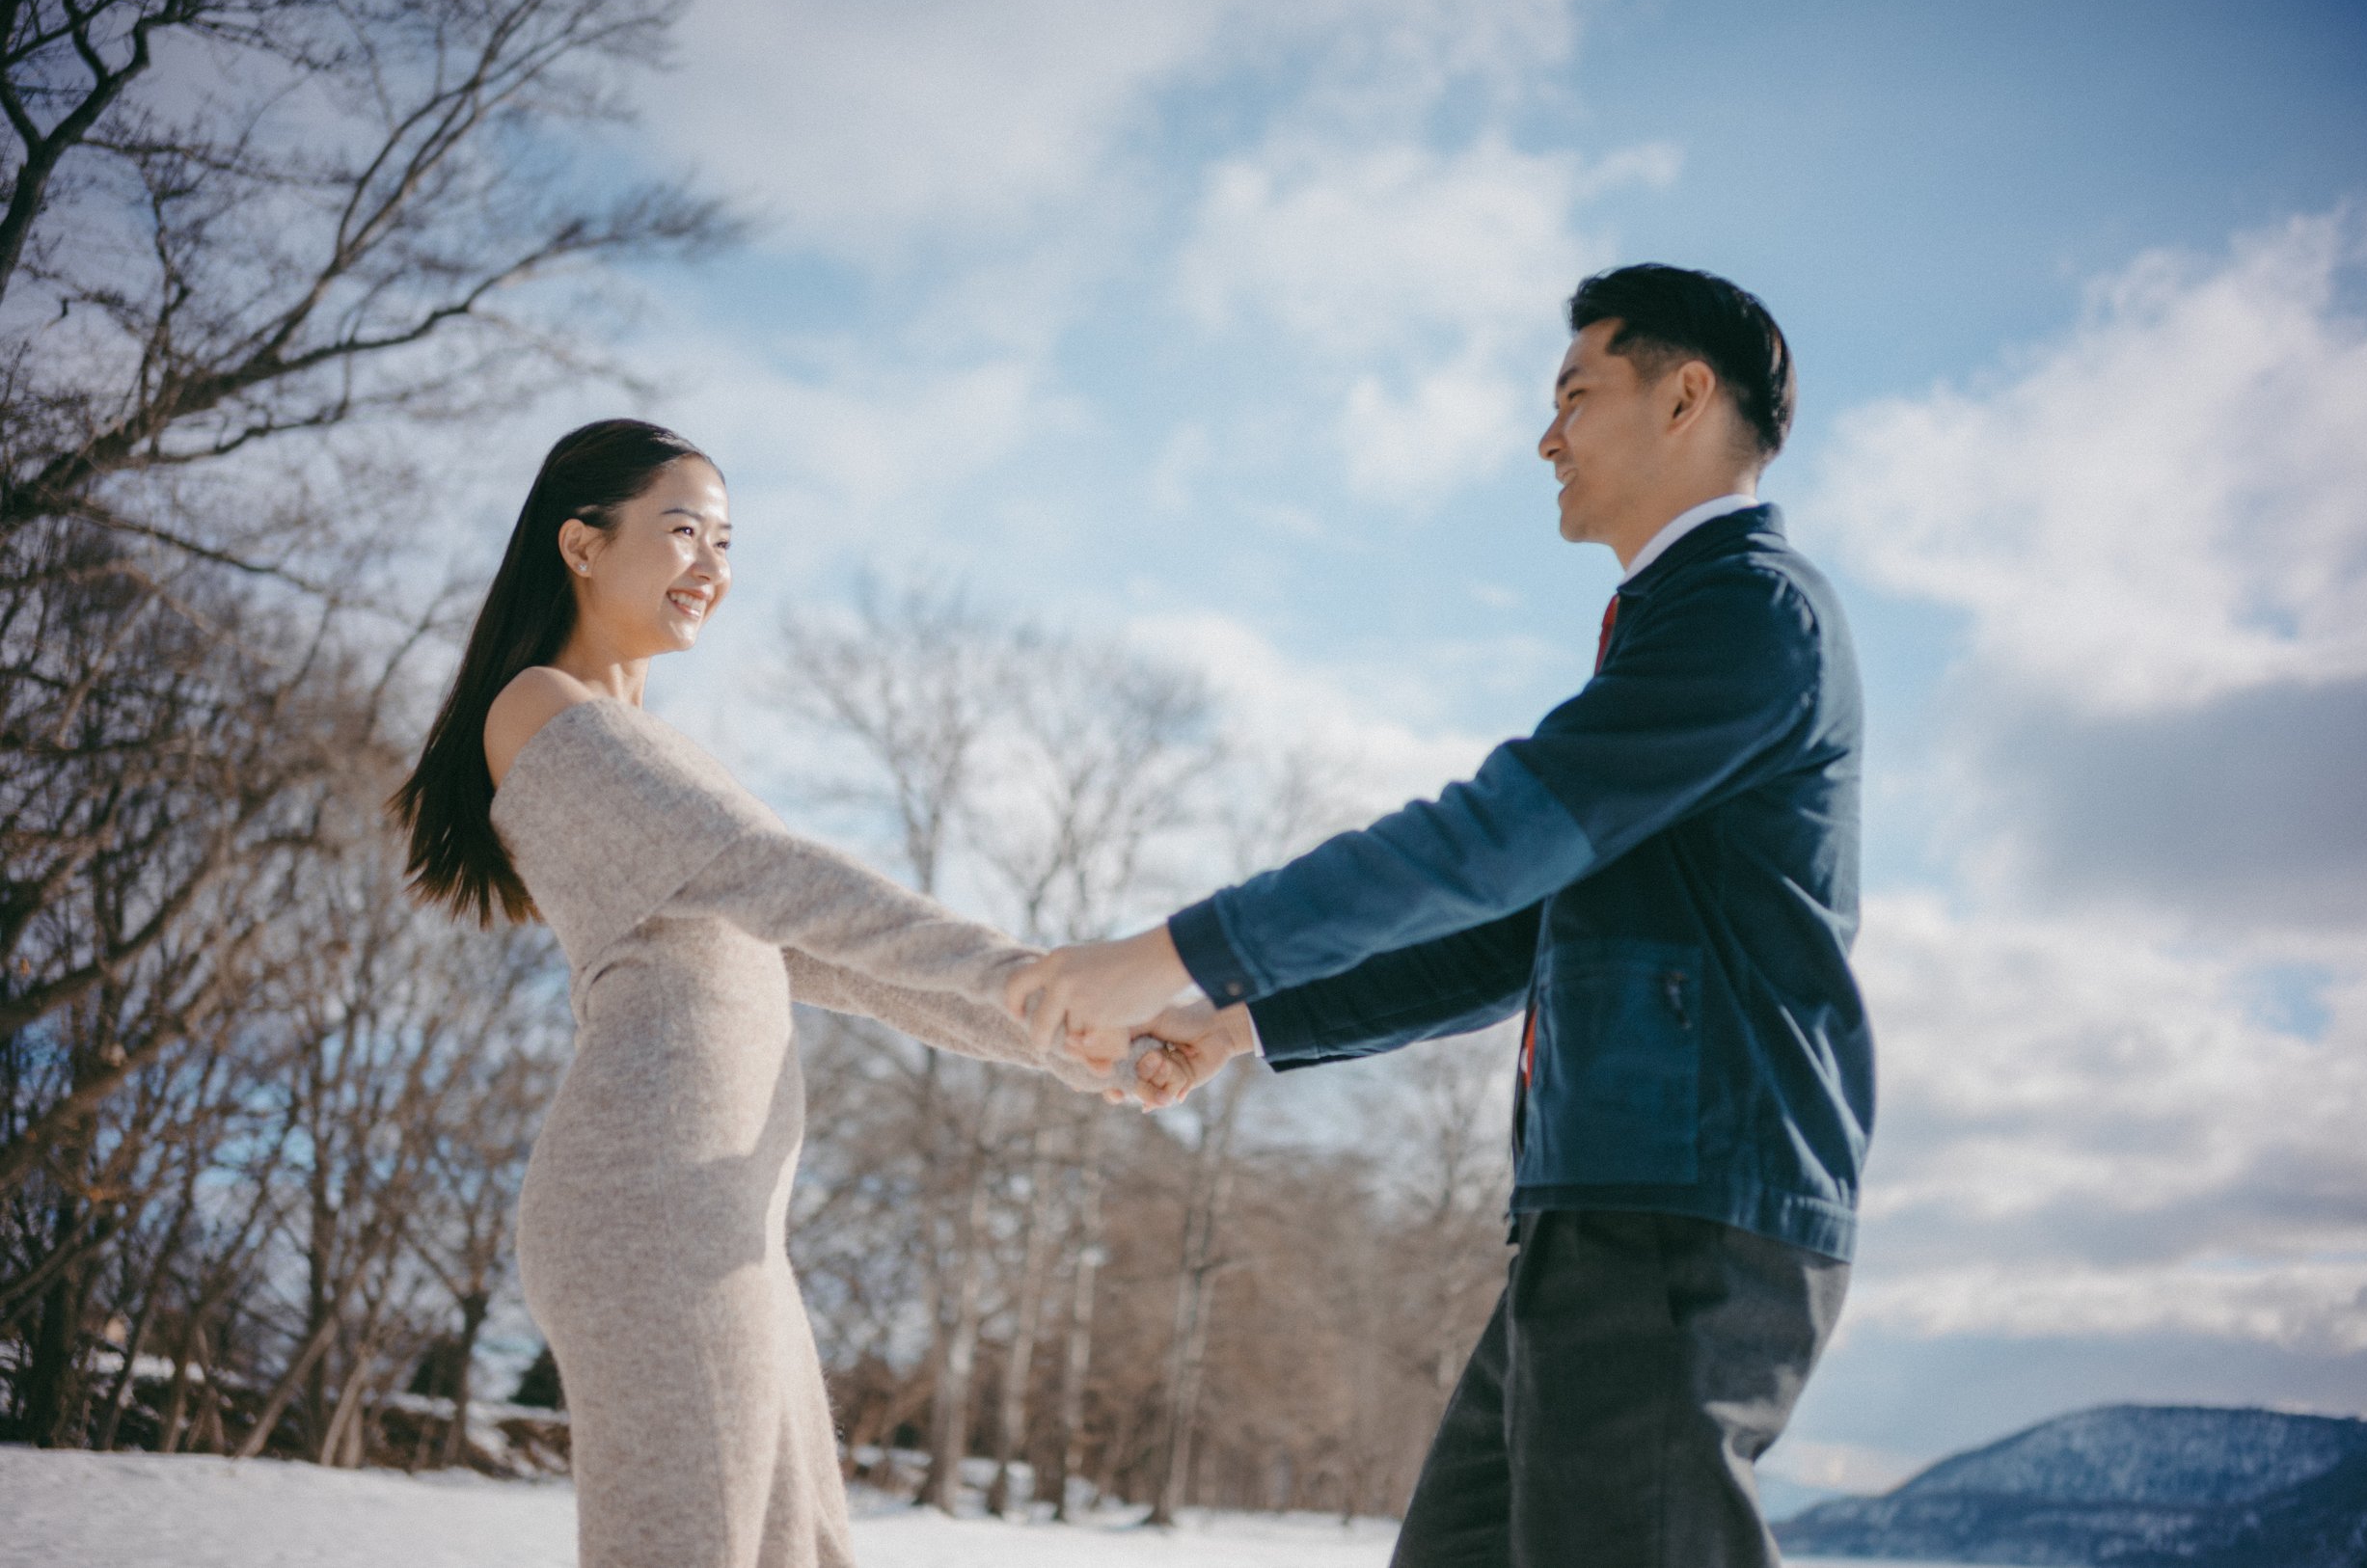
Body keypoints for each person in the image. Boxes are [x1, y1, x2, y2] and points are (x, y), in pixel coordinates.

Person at [1009, 264, 1871, 1567]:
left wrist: (1168, 951)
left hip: (1686, 1208)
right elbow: (1515, 928)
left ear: (1687, 394)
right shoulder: (1677, 629)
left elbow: (1492, 839)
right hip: (1597, 1214)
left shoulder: (1753, 615)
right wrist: (1238, 1018)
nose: (1547, 437)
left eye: (1576, 394)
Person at [390, 419, 1127, 1568]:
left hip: (724, 1220)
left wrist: (1078, 1036)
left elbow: (829, 959)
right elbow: (782, 879)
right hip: (648, 1205)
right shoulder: (543, 707)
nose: (712, 567)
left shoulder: (645, 743)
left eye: (727, 542)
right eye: (682, 530)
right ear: (580, 545)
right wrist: (1039, 975)